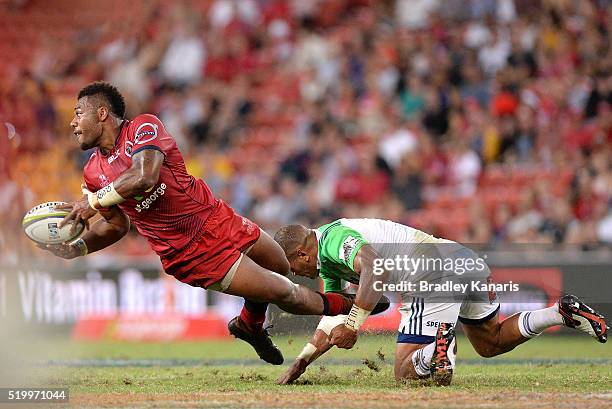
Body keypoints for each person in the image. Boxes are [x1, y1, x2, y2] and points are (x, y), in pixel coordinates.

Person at [38, 81, 357, 365]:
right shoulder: (92, 173)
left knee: (279, 265)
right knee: (284, 292)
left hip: (216, 216)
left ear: (103, 113)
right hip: (190, 251)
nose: (73, 122)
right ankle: (350, 306)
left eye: (79, 113)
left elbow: (145, 176)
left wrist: (92, 201)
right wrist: (77, 247)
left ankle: (249, 324)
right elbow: (116, 226)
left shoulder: (142, 128)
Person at [273, 219, 609, 385]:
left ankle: (440, 348)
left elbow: (377, 267)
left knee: (408, 374)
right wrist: (303, 361)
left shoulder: (334, 240)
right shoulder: (328, 261)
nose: (296, 273)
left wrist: (354, 323)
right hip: (462, 258)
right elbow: (331, 318)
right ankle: (558, 313)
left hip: (428, 271)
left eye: (293, 266)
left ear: (302, 253)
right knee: (490, 341)